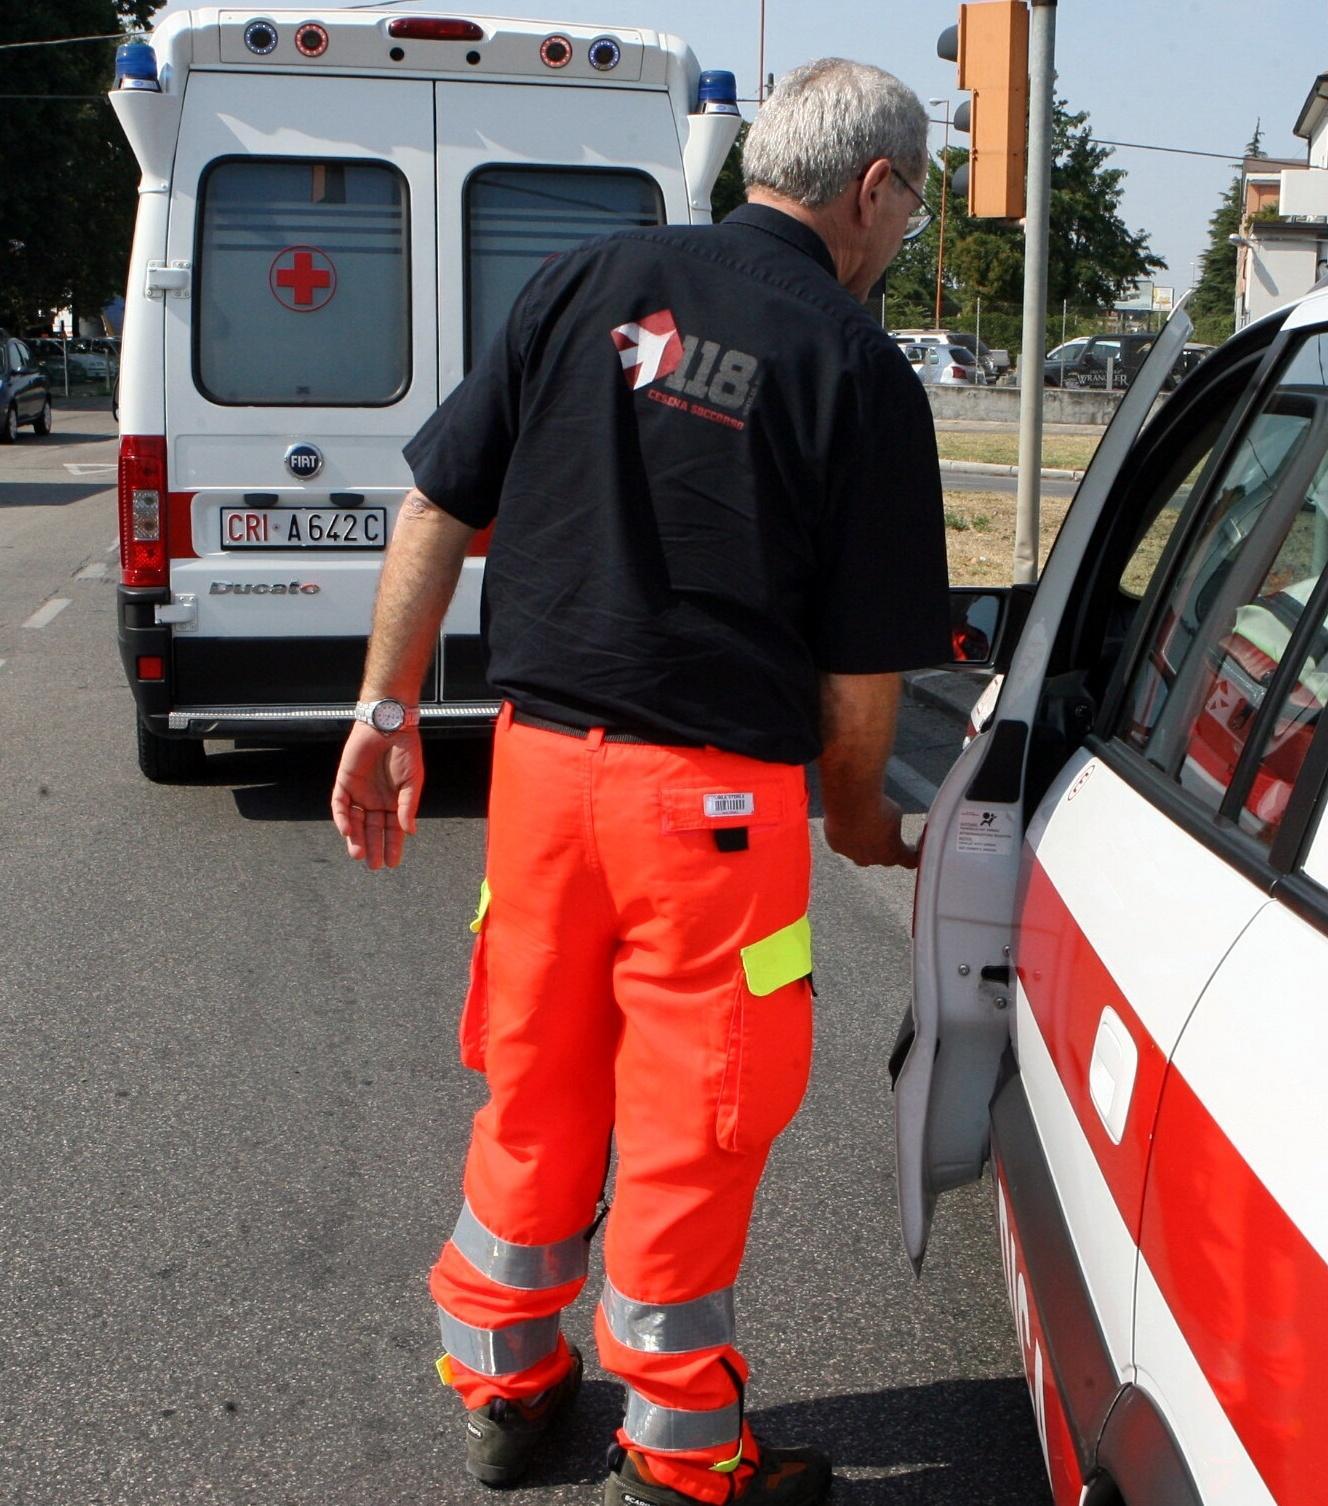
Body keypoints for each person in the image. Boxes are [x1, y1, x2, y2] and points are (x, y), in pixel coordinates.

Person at [330, 57, 949, 1506]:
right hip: (715, 815)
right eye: (910, 206)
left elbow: (437, 500)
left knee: (532, 1079)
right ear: (871, 191)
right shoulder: (854, 369)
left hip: (540, 779)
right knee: (696, 1117)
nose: (902, 233)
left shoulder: (579, 277)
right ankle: (680, 1452)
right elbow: (861, 681)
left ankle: (504, 1381)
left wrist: (383, 708)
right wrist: (860, 819)